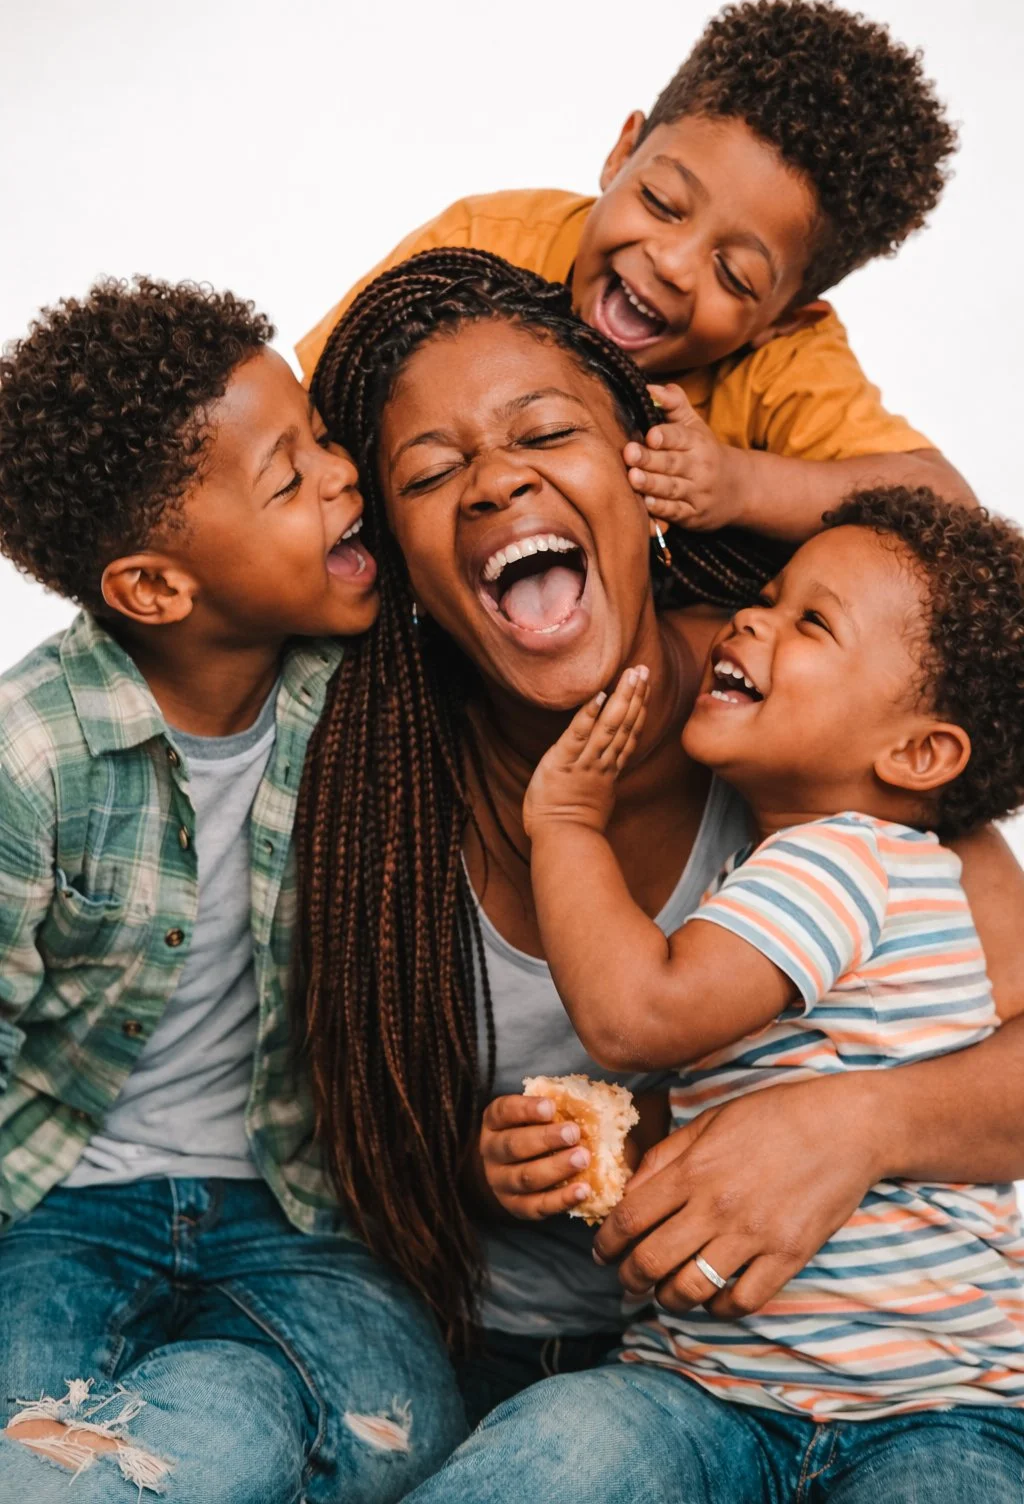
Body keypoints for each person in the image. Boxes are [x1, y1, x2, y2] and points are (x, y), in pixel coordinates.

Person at [296, 248, 1024, 1447]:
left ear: (646, 478)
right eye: (429, 473)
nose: (491, 484)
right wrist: (482, 1174)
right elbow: (342, 1129)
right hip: (546, 1369)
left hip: (895, 1390)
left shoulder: (820, 747)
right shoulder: (363, 777)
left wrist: (852, 1124)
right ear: (404, 559)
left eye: (545, 433)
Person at [455, 486, 1024, 1498]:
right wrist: (591, 1154)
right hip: (705, 1386)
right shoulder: (791, 882)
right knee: (552, 1443)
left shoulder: (841, 861)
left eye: (812, 622)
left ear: (918, 753)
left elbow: (636, 1018)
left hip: (930, 1410)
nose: (751, 619)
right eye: (765, 595)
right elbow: (720, 1108)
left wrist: (568, 825)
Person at [0, 278, 465, 1501]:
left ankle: (206, 1429)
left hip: (285, 1205)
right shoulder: (31, 755)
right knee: (32, 1430)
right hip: (56, 1206)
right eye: (289, 479)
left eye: (320, 437)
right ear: (155, 590)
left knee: (402, 1419)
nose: (341, 476)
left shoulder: (359, 699)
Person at [297, 0, 971, 552]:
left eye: (733, 275)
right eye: (662, 203)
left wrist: (737, 485)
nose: (673, 265)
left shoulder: (783, 368)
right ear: (623, 153)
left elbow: (948, 505)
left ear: (785, 319)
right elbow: (310, 414)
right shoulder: (481, 246)